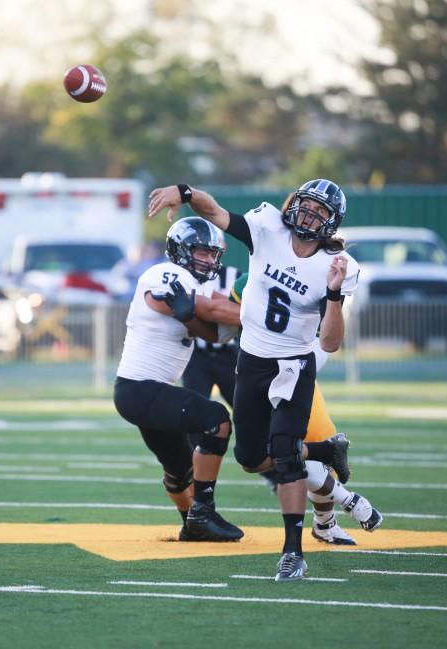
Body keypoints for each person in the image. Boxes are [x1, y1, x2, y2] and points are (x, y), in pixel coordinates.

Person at [149, 179, 356, 581]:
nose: (309, 215)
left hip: (294, 364)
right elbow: (216, 213)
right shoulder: (267, 229)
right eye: (306, 206)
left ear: (332, 223)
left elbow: (330, 342)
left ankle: (293, 552)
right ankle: (324, 451)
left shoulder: (337, 266)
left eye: (320, 212)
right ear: (294, 204)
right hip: (252, 361)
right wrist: (186, 193)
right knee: (248, 458)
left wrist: (333, 295)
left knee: (283, 453)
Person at [224, 272, 382, 545]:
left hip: (296, 367)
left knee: (307, 441)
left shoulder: (318, 274)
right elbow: (226, 326)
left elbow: (328, 339)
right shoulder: (248, 279)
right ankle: (340, 499)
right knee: (264, 454)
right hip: (258, 372)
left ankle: (326, 522)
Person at [113, 216, 244, 542]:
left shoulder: (196, 286)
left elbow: (214, 335)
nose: (210, 260)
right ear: (182, 250)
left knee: (180, 467)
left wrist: (190, 313)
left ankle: (190, 523)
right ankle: (204, 512)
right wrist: (272, 318)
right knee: (217, 420)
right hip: (140, 389)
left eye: (214, 254)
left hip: (144, 392)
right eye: (203, 252)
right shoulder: (165, 273)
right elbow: (168, 302)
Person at [181, 265, 242, 408]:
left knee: (244, 411)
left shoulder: (235, 275)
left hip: (228, 354)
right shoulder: (188, 278)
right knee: (194, 411)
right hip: (197, 355)